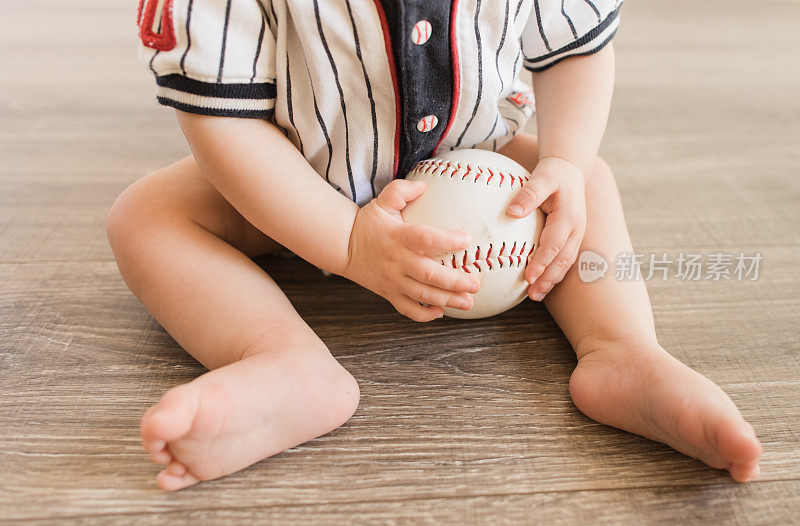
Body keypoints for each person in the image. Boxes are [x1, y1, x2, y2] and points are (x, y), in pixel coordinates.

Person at [107, 0, 762, 490]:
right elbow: (222, 122)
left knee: (586, 181)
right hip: (296, 173)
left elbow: (573, 49)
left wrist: (563, 158)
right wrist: (343, 239)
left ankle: (623, 352)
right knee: (147, 217)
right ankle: (282, 361)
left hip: (477, 160)